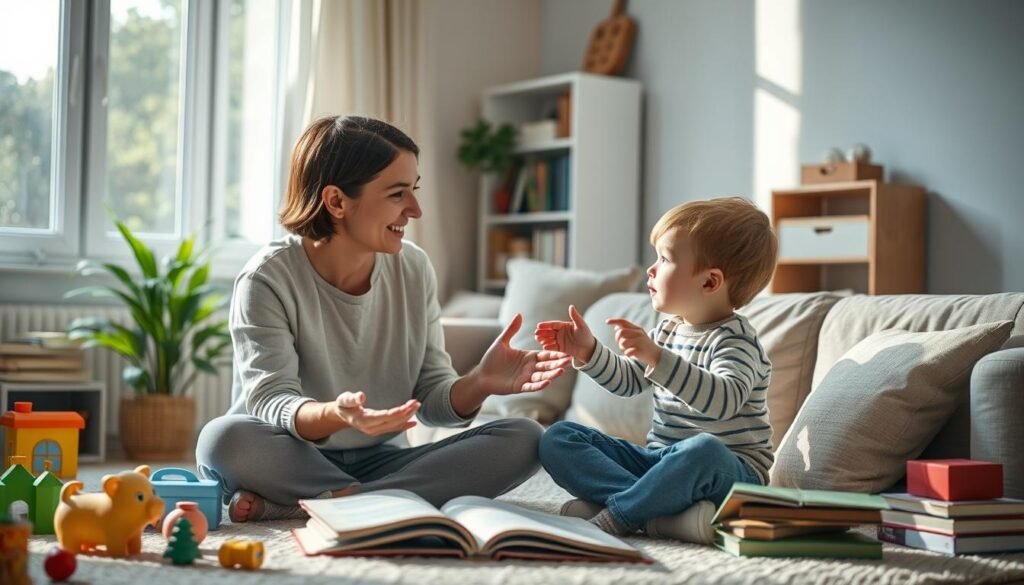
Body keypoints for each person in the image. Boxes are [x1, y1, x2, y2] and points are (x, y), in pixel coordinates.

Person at [196, 115, 570, 522]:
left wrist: (480, 383)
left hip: (383, 460)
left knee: (524, 437)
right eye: (397, 194)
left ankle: (330, 501)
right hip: (291, 453)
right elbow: (272, 400)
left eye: (414, 190)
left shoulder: (414, 268)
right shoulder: (266, 278)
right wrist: (336, 415)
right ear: (337, 201)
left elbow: (430, 399)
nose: (416, 209)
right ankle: (377, 499)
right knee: (222, 440)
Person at [534, 197, 778, 543]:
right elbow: (629, 382)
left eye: (664, 259)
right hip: (659, 464)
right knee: (558, 438)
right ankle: (654, 511)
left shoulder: (736, 341)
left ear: (709, 283)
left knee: (702, 449)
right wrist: (588, 351)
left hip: (730, 475)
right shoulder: (668, 329)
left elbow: (722, 401)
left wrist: (658, 358)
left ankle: (620, 513)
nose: (651, 269)